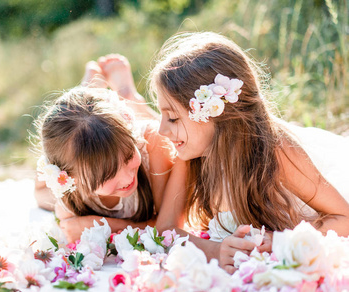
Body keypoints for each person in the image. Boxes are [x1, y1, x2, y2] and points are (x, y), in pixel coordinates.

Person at [149, 31, 349, 273]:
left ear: (215, 112)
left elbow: (343, 217)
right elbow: (165, 230)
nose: (162, 130)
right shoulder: (190, 154)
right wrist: (216, 250)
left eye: (172, 117)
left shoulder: (275, 151)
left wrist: (280, 243)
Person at [34, 72, 174, 243]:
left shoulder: (152, 144)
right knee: (41, 195)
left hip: (114, 135)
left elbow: (166, 226)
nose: (127, 178)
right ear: (70, 179)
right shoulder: (69, 192)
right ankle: (86, 91)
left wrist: (103, 224)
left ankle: (127, 95)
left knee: (155, 128)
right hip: (77, 156)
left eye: (129, 156)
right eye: (108, 175)